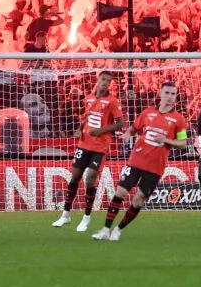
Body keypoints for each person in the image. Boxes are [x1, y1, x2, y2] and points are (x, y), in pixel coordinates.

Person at [93, 81, 188, 242]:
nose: (170, 97)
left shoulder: (178, 119)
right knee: (120, 193)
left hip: (155, 167)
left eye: (173, 94)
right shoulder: (147, 113)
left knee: (139, 200)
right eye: (167, 93)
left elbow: (183, 143)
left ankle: (118, 229)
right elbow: (134, 128)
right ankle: (105, 229)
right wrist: (128, 134)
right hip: (136, 160)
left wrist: (166, 139)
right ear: (160, 94)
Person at [53, 70, 122, 232]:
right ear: (98, 80)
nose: (105, 83)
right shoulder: (88, 99)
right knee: (75, 177)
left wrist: (101, 131)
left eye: (108, 81)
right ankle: (66, 214)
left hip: (100, 147)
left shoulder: (112, 101)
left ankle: (86, 217)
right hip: (83, 144)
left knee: (90, 179)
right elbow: (86, 117)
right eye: (103, 79)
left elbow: (120, 124)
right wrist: (79, 129)